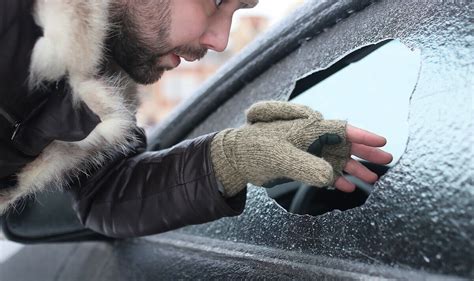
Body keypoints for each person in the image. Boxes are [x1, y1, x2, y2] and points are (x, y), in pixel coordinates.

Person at [0, 0, 392, 238]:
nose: (220, 40)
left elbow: (106, 192)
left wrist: (233, 157)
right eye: (216, 1)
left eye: (236, 13)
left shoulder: (102, 86)